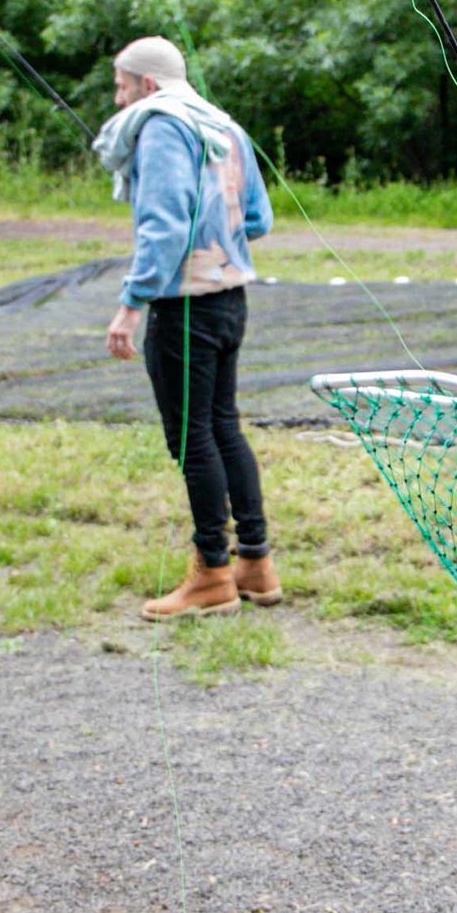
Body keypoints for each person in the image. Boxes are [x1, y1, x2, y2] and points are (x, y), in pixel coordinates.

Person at [94, 36, 281, 620]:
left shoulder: (160, 126)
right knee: (223, 426)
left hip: (185, 308)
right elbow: (258, 218)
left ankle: (212, 574)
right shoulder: (223, 125)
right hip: (231, 298)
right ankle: (256, 562)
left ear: (147, 84)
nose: (119, 99)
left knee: (191, 436)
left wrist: (131, 303)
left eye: (122, 86)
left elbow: (164, 222)